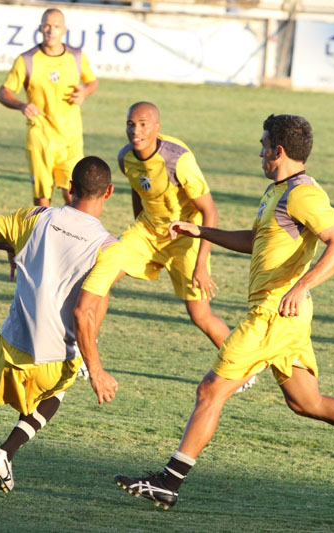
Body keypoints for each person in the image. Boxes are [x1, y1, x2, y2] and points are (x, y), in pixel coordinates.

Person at [114, 114, 334, 509]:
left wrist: (302, 285)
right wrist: (201, 231)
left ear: (278, 151)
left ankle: (169, 483)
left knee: (210, 391)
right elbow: (254, 240)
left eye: (263, 145)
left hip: (271, 315)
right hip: (284, 317)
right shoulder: (277, 191)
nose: (259, 152)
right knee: (305, 403)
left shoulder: (303, 194)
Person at [0, 156, 122, 514]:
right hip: (57, 357)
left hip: (12, 345)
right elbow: (85, 311)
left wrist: (14, 247)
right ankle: (6, 452)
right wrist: (96, 370)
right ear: (109, 192)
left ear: (69, 189)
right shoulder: (109, 248)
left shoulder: (36, 218)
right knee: (59, 391)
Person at [113, 102, 254, 389]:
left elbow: (209, 211)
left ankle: (243, 369)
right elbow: (138, 187)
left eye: (142, 124)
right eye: (131, 123)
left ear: (156, 128)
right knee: (102, 272)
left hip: (186, 237)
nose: (135, 130)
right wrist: (139, 227)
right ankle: (78, 345)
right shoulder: (125, 157)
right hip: (149, 230)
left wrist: (201, 264)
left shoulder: (179, 159)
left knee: (200, 315)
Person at [0, 8, 98, 208]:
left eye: (56, 27)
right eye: (48, 26)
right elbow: (3, 92)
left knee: (73, 194)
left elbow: (92, 82)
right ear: (40, 28)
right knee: (42, 199)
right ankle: (44, 237)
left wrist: (84, 92)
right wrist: (21, 105)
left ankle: (73, 238)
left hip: (70, 138)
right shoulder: (27, 60)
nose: (51, 31)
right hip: (41, 137)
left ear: (64, 30)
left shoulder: (76, 56)